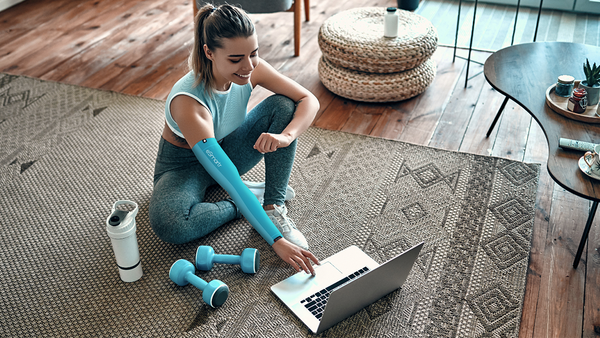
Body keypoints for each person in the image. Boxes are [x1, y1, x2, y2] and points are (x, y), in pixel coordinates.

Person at [149, 3, 320, 275]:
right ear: (209, 52)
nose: (248, 66)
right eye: (235, 59)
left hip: (227, 147)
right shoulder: (188, 102)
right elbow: (228, 177)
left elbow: (307, 99)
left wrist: (286, 136)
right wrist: (275, 241)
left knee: (284, 107)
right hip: (183, 166)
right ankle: (243, 204)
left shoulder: (251, 68)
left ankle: (272, 202)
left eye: (254, 53)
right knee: (171, 223)